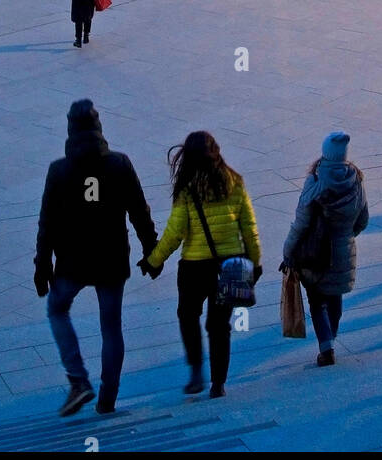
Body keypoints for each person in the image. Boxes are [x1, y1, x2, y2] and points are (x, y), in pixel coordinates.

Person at [34, 100, 158, 416]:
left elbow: (47, 222)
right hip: (111, 258)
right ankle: (107, 399)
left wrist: (42, 265)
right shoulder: (120, 164)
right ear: (99, 127)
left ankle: (78, 381)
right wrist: (151, 251)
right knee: (111, 326)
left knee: (57, 309)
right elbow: (139, 212)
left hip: (72, 260)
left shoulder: (59, 170)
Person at [142, 132, 262, 399]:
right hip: (230, 265)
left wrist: (153, 261)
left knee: (188, 315)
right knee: (220, 327)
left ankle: (196, 370)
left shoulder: (187, 190)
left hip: (194, 267)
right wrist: (254, 262)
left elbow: (175, 232)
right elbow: (249, 229)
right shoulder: (236, 182)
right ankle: (218, 384)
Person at [280, 132, 369, 367]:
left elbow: (301, 223)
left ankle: (326, 346)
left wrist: (288, 251)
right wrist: (344, 237)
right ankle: (332, 336)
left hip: (314, 255)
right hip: (342, 251)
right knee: (334, 297)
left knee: (317, 302)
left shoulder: (315, 181)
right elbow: (363, 220)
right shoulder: (356, 180)